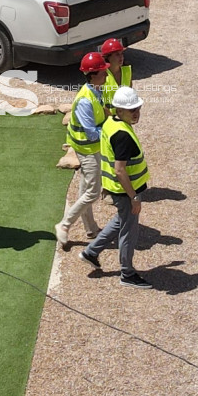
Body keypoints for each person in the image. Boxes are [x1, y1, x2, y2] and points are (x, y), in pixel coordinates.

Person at [79, 85, 151, 288]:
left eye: (137, 108)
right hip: (126, 190)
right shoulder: (123, 135)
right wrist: (134, 197)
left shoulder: (111, 122)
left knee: (121, 220)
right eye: (132, 110)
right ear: (120, 111)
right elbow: (120, 170)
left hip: (116, 188)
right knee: (129, 230)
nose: (136, 113)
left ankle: (91, 252)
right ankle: (127, 273)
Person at [56, 52, 109, 247]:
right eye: (103, 72)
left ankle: (91, 229)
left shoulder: (96, 91)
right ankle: (64, 225)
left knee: (85, 188)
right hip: (87, 149)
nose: (106, 74)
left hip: (89, 148)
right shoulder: (86, 100)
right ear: (92, 74)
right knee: (93, 192)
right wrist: (112, 126)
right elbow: (92, 133)